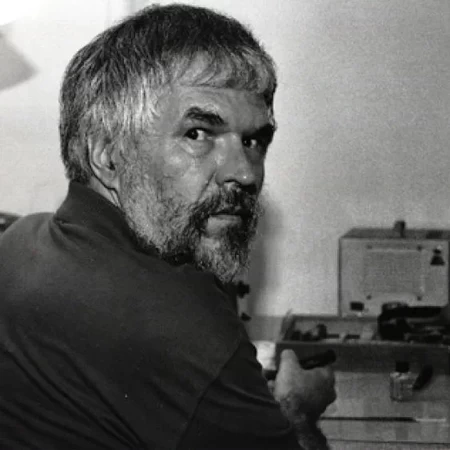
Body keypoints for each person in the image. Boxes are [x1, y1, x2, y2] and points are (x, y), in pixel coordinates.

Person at [0, 3, 336, 449]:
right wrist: (297, 409)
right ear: (106, 155)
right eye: (198, 133)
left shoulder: (20, 240)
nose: (245, 173)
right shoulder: (184, 328)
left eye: (253, 140)